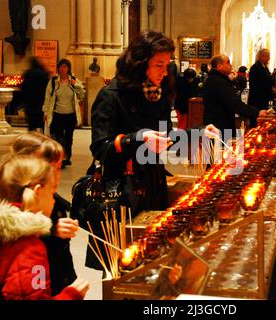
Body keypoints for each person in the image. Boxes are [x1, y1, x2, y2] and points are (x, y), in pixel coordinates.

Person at [88, 30, 218, 271]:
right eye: (158, 65)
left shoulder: (157, 95)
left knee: (150, 259)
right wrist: (136, 139)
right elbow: (100, 148)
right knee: (122, 266)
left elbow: (166, 139)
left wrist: (197, 133)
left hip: (151, 183)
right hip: (121, 190)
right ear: (139, 64)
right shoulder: (111, 96)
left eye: (167, 65)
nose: (164, 71)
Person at [0, 155, 89, 300]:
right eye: (51, 193)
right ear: (37, 191)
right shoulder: (29, 248)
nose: (53, 201)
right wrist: (71, 295)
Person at [10, 132, 79, 295]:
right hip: (40, 285)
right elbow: (17, 238)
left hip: (59, 276)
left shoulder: (50, 198)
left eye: (58, 167)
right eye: (50, 168)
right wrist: (51, 230)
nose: (56, 176)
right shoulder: (11, 204)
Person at [203, 54, 267, 139]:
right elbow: (235, 104)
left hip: (213, 123)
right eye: (228, 62)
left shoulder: (212, 79)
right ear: (219, 66)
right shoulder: (220, 82)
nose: (231, 65)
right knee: (221, 150)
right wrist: (256, 112)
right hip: (220, 126)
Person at [43, 59, 85, 169]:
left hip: (70, 115)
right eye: (61, 67)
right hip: (57, 114)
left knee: (68, 138)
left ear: (69, 68)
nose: (63, 69)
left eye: (65, 67)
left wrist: (76, 86)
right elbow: (47, 98)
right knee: (58, 138)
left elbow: (82, 95)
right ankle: (61, 158)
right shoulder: (53, 82)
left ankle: (67, 157)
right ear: (58, 68)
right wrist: (46, 112)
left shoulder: (74, 81)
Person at [21, 57, 50, 132]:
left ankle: (32, 138)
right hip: (41, 102)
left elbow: (23, 88)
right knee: (42, 123)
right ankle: (42, 138)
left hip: (30, 103)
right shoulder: (44, 73)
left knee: (31, 124)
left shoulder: (28, 73)